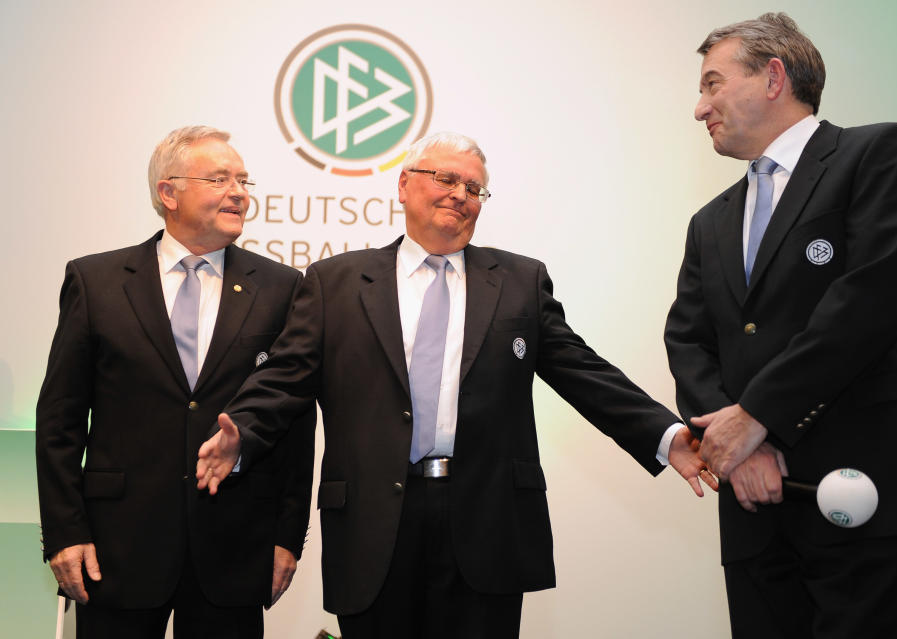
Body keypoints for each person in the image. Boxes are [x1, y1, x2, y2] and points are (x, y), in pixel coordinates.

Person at [195, 131, 715, 638]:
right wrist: (243, 429)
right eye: (446, 179)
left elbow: (585, 373)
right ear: (403, 186)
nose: (460, 195)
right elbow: (286, 375)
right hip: (374, 521)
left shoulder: (518, 282)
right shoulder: (337, 282)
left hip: (486, 521)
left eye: (474, 188)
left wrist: (667, 438)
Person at [664, 13, 897, 638]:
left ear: (774, 77)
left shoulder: (878, 153)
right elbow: (687, 341)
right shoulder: (709, 222)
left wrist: (757, 416)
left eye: (713, 84)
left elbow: (870, 300)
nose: (699, 107)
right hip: (750, 500)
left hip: (854, 486)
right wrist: (735, 450)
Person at [35, 126, 316, 638]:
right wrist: (63, 532)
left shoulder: (280, 288)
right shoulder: (96, 281)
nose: (239, 192)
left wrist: (287, 537)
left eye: (244, 181)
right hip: (115, 550)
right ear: (169, 192)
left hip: (232, 548)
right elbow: (60, 420)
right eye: (220, 179)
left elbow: (294, 421)